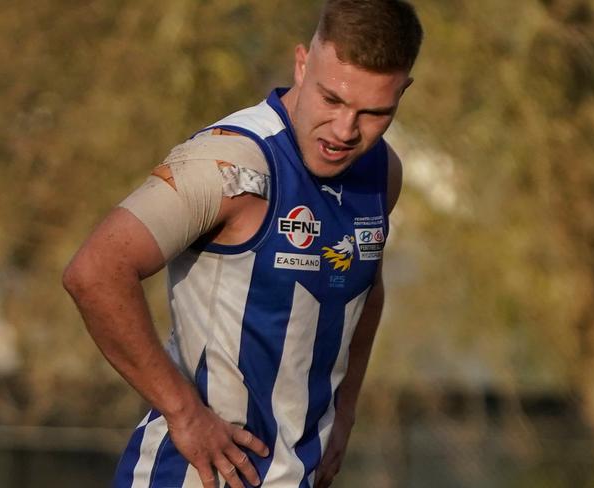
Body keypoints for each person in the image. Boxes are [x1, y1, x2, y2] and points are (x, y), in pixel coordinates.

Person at [63, 0, 423, 486]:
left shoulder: (382, 173)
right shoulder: (229, 161)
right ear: (301, 63)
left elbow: (365, 287)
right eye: (332, 100)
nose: (344, 131)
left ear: (402, 93)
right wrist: (184, 413)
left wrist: (346, 410)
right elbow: (95, 272)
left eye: (374, 112)